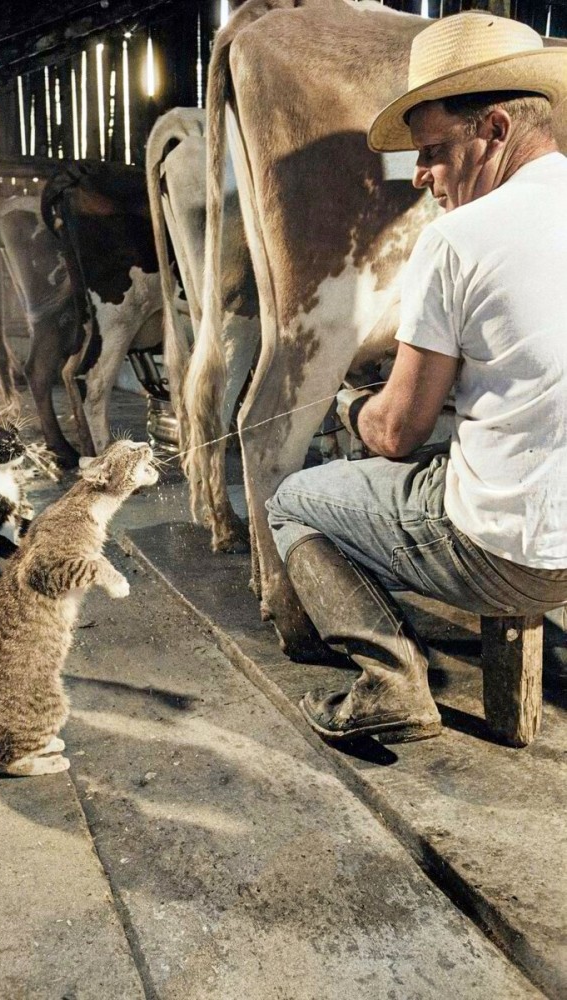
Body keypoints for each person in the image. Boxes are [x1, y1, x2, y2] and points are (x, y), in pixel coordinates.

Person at [265, 11, 567, 745]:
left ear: (493, 129)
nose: (421, 175)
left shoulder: (456, 238)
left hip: (522, 556)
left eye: (432, 151)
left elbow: (399, 435)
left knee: (294, 500)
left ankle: (389, 681)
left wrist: (352, 407)